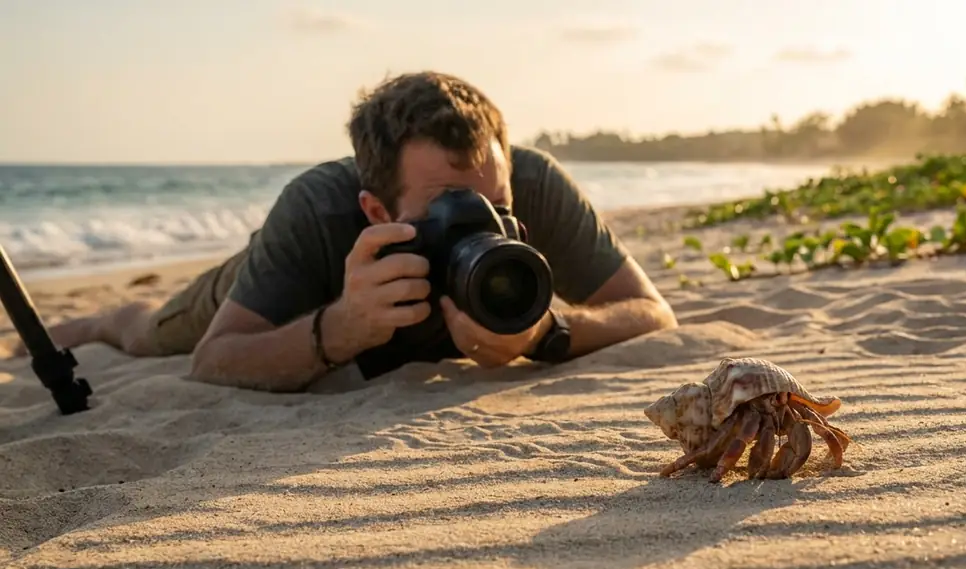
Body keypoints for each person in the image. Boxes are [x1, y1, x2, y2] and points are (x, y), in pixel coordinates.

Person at [35, 71, 677, 391]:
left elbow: (655, 314)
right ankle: (92, 323)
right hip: (275, 289)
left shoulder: (534, 183)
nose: (483, 223)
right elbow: (213, 360)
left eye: (495, 204)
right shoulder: (316, 210)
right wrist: (340, 328)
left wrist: (550, 332)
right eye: (448, 207)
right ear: (376, 211)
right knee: (149, 332)